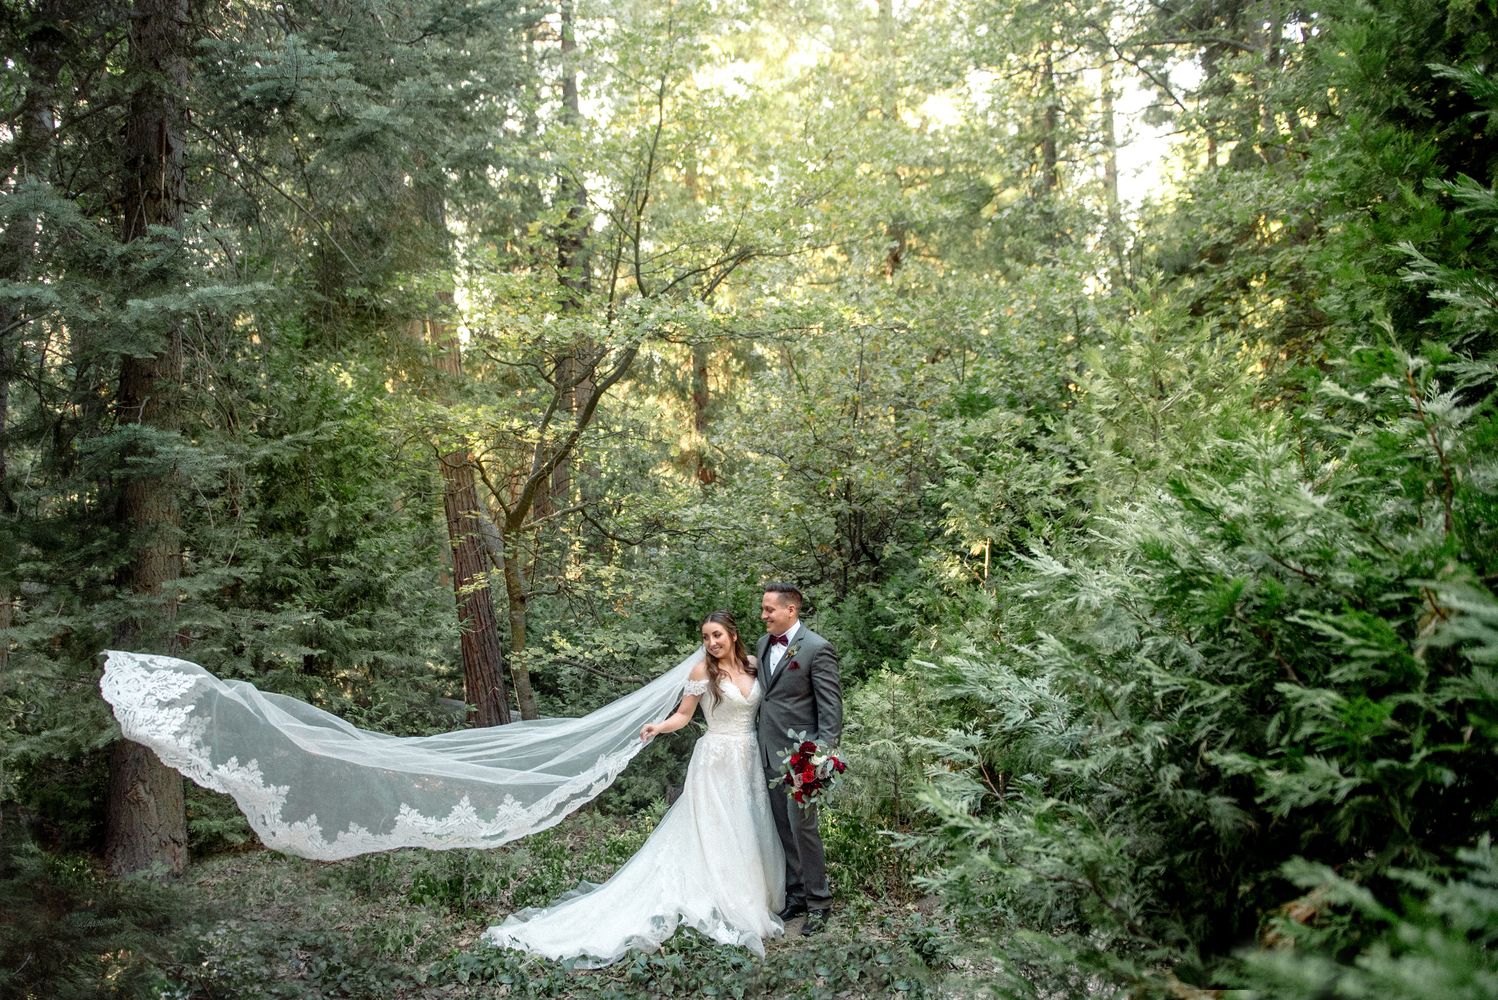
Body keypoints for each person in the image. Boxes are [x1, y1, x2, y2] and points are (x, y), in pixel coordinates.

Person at [483, 610, 785, 966]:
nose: (711, 643)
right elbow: (685, 715)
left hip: (748, 757)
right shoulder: (703, 670)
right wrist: (658, 726)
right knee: (718, 830)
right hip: (716, 760)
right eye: (705, 637)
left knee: (746, 825)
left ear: (732, 635)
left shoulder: (753, 664)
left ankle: (753, 896)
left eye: (717, 635)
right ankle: (728, 903)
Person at [754, 582, 842, 935]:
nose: (763, 616)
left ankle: (819, 901)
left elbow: (831, 708)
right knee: (782, 829)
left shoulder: (817, 649)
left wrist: (820, 756)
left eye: (769, 610)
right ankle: (797, 895)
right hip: (766, 753)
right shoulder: (762, 646)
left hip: (801, 757)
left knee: (804, 829)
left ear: (791, 610)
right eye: (763, 609)